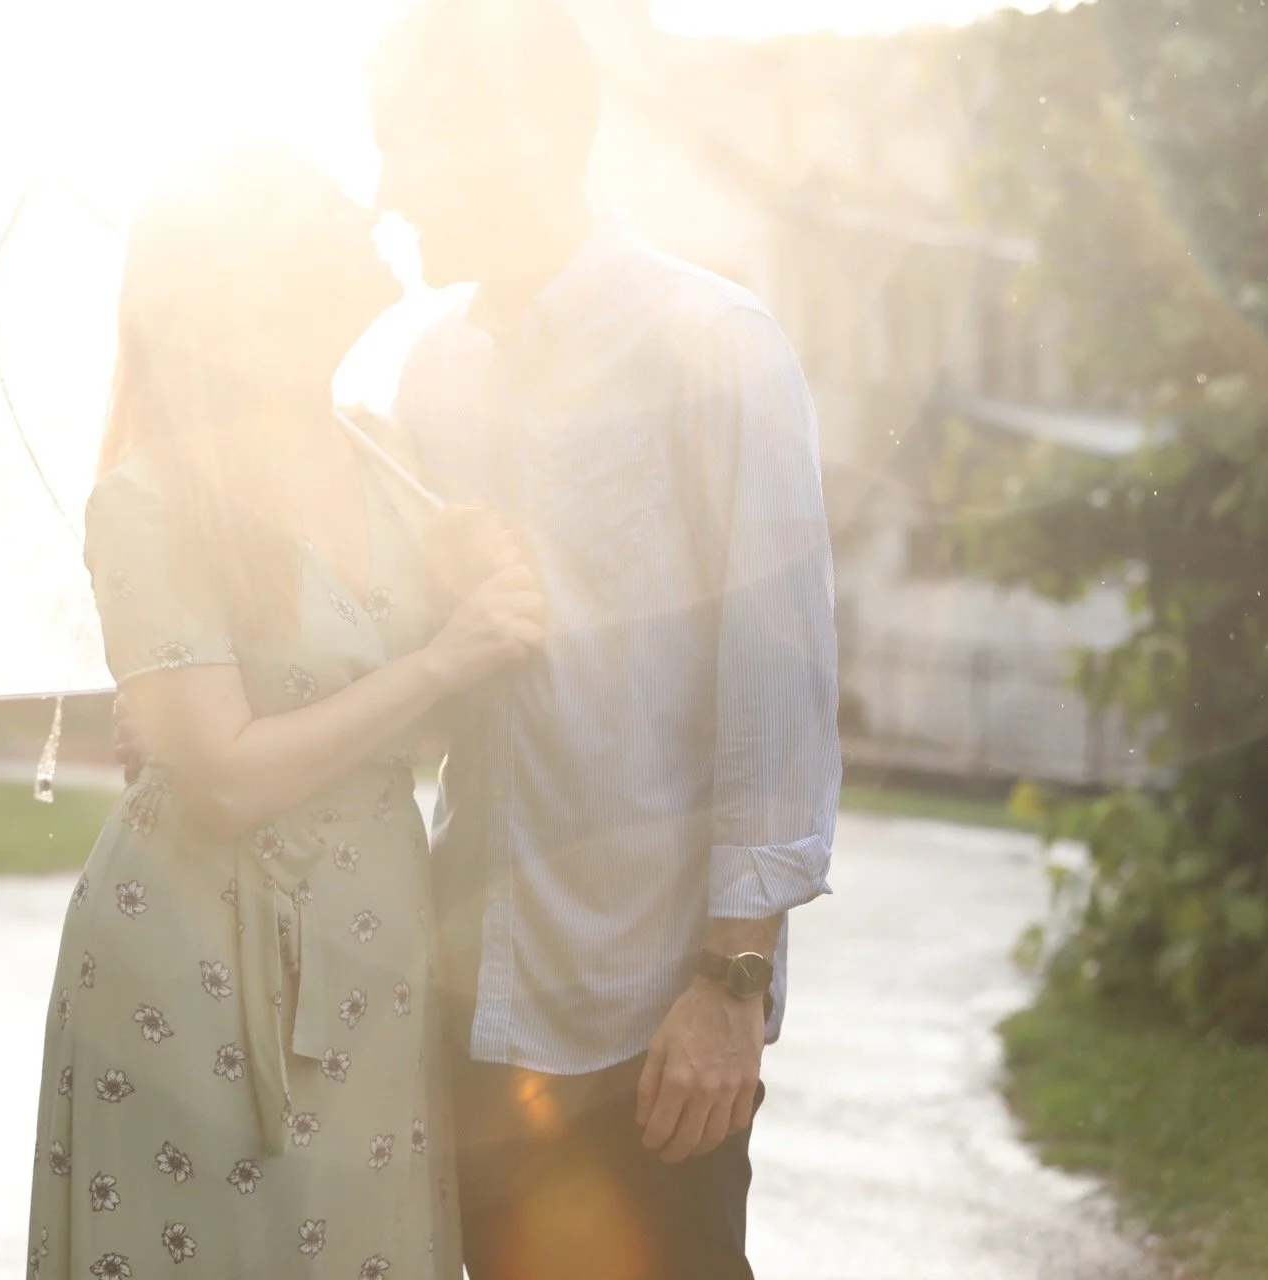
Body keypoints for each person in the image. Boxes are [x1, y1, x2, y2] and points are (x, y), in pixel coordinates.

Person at [368, 2, 844, 1277]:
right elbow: (423, 675)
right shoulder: (432, 379)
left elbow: (775, 699)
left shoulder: (714, 348)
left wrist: (729, 988)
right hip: (472, 1004)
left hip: (649, 1012)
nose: (389, 185)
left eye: (406, 143)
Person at [24, 145, 544, 1280]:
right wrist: (446, 656)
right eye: (325, 208)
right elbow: (228, 777)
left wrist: (473, 586)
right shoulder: (152, 496)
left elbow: (428, 734)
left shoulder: (385, 452)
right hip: (197, 963)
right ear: (248, 279)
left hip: (376, 938)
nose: (364, 212)